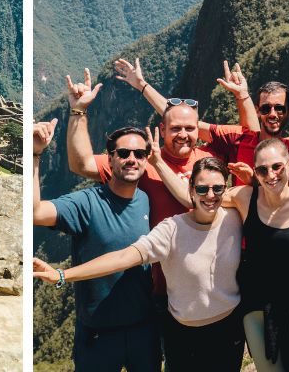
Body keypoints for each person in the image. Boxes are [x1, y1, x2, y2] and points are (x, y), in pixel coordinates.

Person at [33, 152, 246, 372]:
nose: (210, 195)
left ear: (226, 189)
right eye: (202, 189)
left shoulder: (236, 217)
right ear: (190, 189)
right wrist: (63, 275)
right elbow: (123, 258)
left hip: (229, 330)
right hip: (184, 337)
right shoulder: (172, 229)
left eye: (217, 188)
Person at [153, 136, 289, 372]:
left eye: (277, 166)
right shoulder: (244, 198)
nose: (270, 174)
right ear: (256, 173)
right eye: (262, 169)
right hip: (256, 303)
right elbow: (198, 197)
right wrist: (158, 162)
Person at [66, 68, 228, 297]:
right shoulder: (141, 162)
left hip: (211, 286)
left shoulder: (212, 160)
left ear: (198, 130)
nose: (183, 134)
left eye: (190, 128)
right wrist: (78, 111)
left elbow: (252, 138)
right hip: (161, 289)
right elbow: (81, 165)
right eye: (175, 128)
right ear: (162, 130)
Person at [32, 118, 160, 372]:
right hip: (98, 332)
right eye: (123, 153)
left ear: (146, 160)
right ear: (110, 159)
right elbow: (35, 212)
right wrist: (35, 155)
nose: (131, 159)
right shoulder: (87, 203)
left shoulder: (147, 200)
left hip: (144, 327)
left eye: (139, 154)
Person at [113, 58, 289, 177]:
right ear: (258, 111)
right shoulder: (239, 139)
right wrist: (142, 85)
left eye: (279, 109)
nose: (272, 114)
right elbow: (184, 122)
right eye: (266, 109)